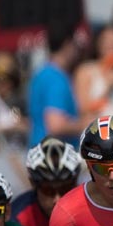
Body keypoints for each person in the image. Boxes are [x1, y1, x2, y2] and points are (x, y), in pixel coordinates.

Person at [27, 19, 91, 147]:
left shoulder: (41, 74)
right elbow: (56, 125)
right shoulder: (56, 78)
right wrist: (88, 124)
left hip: (41, 153)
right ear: (68, 44)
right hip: (55, 157)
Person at [12, 137, 83, 226]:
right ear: (33, 184)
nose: (57, 200)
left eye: (65, 189)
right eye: (48, 191)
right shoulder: (18, 219)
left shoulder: (93, 209)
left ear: (76, 184)